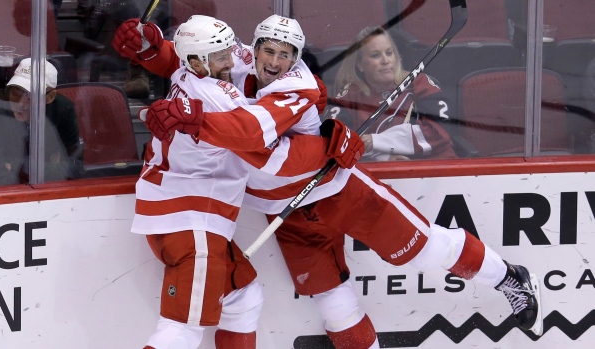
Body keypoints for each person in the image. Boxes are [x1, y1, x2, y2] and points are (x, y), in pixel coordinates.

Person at [117, 14, 544, 347]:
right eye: (268, 50)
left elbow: (264, 149)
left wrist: (196, 120)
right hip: (286, 215)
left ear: (298, 59)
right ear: (255, 46)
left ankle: (508, 276)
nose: (275, 62)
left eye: (287, 55)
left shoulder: (296, 87)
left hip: (336, 191)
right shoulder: (240, 59)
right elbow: (195, 59)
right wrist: (151, 49)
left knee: (425, 250)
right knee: (332, 303)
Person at [125, 15, 359, 349]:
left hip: (172, 211)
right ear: (197, 61)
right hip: (193, 220)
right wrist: (311, 113)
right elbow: (257, 136)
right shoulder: (217, 96)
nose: (232, 60)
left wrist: (150, 47)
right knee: (181, 331)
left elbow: (199, 64)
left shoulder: (184, 73)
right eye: (221, 57)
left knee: (243, 298)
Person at [328, 26, 457, 161]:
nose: (385, 61)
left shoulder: (419, 82)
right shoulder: (348, 96)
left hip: (436, 168)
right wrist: (383, 157)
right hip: (379, 173)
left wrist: (377, 141)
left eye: (389, 53)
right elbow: (335, 143)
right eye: (375, 55)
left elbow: (439, 132)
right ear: (360, 64)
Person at [0, 58, 83, 188]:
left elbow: (75, 167)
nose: (21, 103)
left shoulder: (63, 109)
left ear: (50, 97)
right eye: (16, 91)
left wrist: (17, 168)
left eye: (32, 95)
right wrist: (51, 166)